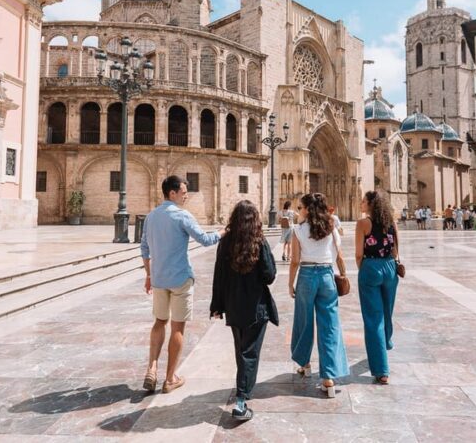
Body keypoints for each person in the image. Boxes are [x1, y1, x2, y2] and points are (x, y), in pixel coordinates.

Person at [140, 175, 226, 394]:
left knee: (159, 321)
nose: (186, 196)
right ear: (172, 193)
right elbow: (205, 240)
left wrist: (149, 275)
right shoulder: (182, 216)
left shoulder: (151, 217)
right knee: (177, 327)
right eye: (184, 192)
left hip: (159, 278)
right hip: (180, 279)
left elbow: (144, 249)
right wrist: (224, 231)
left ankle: (151, 368)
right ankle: (170, 379)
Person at [210, 200, 278, 421]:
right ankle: (241, 402)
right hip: (256, 307)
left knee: (242, 351)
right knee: (250, 352)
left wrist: (217, 306)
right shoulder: (259, 240)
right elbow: (269, 275)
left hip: (233, 306)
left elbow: (218, 275)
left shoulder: (226, 241)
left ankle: (242, 390)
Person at [289, 193, 349, 398]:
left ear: (307, 209)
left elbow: (295, 260)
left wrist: (290, 283)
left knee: (304, 322)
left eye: (300, 208)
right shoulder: (330, 226)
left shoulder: (298, 230)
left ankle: (304, 364)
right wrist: (344, 275)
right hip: (326, 275)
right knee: (329, 325)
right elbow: (339, 255)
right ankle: (328, 378)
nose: (298, 211)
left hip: (306, 276)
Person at [355, 191, 405, 385]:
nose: (361, 203)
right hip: (390, 268)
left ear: (371, 205)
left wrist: (365, 269)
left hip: (371, 267)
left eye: (364, 201)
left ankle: (381, 369)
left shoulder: (363, 224)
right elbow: (395, 249)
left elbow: (359, 254)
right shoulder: (391, 223)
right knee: (386, 311)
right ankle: (385, 342)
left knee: (373, 318)